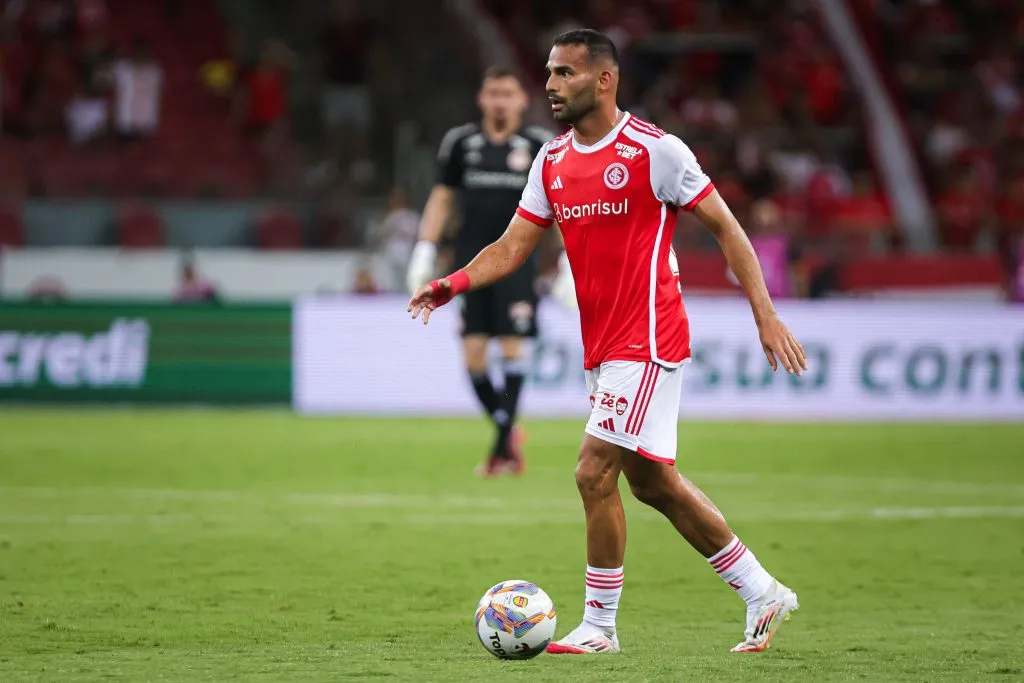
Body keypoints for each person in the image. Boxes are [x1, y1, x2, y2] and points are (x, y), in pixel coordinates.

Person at [407, 30, 807, 654]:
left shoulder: (656, 151)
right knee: (652, 484)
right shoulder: (552, 161)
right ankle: (763, 591)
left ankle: (599, 627)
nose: (550, 85)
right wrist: (451, 283)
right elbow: (513, 246)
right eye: (549, 72)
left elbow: (727, 228)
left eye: (564, 73)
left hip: (648, 340)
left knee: (593, 472)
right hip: (603, 347)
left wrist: (766, 314)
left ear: (604, 80)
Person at [406, 66, 562, 477]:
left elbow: (560, 204)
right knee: (473, 359)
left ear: (522, 100)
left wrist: (567, 259)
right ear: (481, 99)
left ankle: (500, 450)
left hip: (518, 265)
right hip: (469, 266)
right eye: (493, 93)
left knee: (512, 349)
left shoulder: (538, 145)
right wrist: (425, 248)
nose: (499, 102)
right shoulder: (461, 143)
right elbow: (442, 198)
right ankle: (508, 434)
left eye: (507, 94)